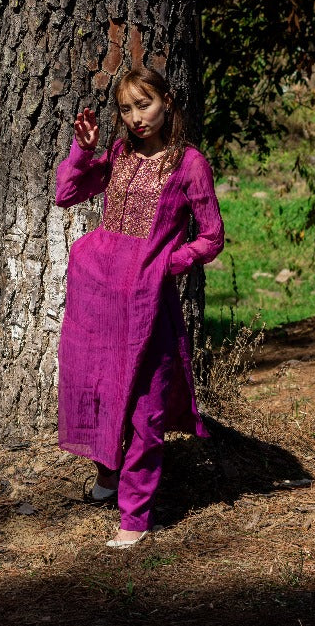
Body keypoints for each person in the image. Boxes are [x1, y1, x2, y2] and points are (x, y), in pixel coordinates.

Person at [55, 67, 224, 547]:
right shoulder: (119, 154)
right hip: (101, 296)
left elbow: (212, 236)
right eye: (126, 110)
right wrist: (83, 150)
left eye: (143, 105)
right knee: (101, 389)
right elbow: (66, 194)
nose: (135, 118)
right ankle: (107, 475)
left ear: (167, 101)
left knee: (145, 409)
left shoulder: (189, 163)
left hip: (149, 301)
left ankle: (135, 516)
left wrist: (169, 263)